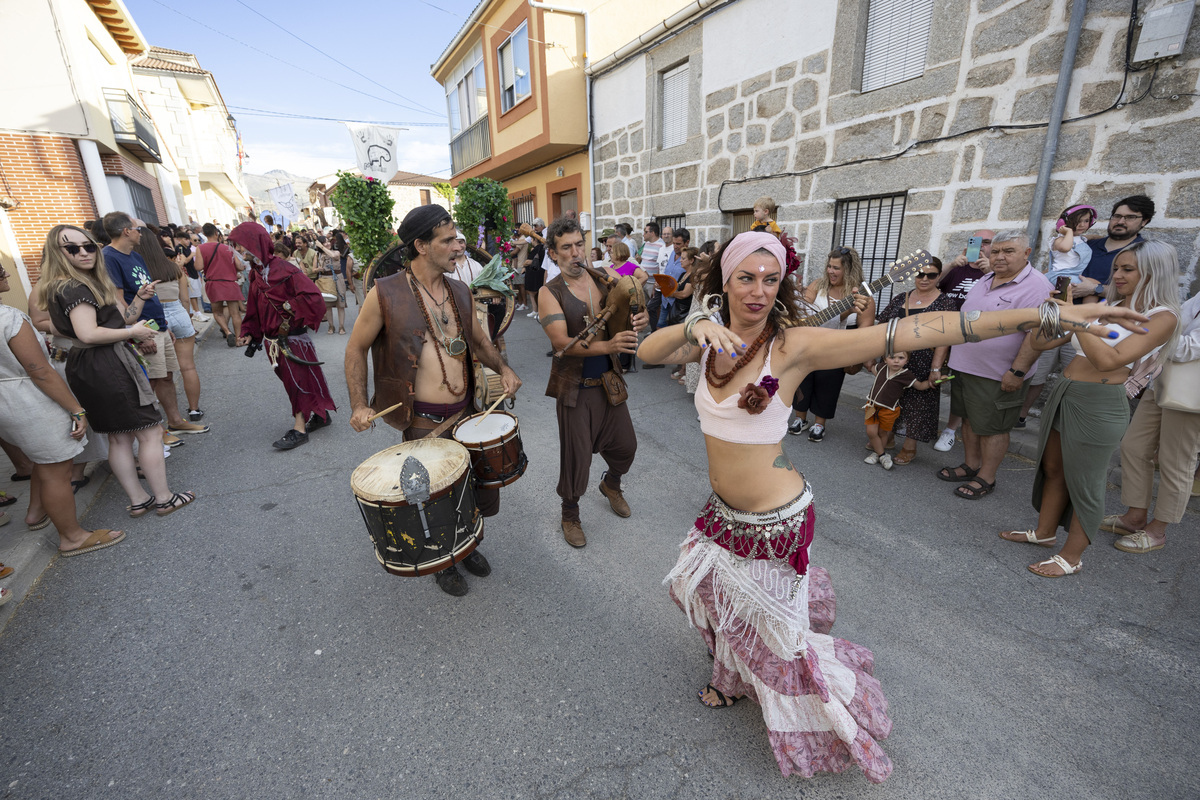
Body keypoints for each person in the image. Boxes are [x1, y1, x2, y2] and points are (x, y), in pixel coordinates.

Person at [636, 229, 1149, 782]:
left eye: (770, 280)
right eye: (745, 278)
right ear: (726, 281)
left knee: (778, 628)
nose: (758, 291)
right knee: (713, 596)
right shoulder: (709, 339)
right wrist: (694, 324)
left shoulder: (795, 346)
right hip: (722, 512)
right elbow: (645, 351)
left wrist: (1032, 317)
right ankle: (733, 676)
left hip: (775, 520)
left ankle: (816, 711)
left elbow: (920, 329)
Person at [345, 205, 521, 597]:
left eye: (457, 237)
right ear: (421, 246)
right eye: (448, 240)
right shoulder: (386, 293)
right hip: (422, 419)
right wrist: (359, 404)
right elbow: (355, 348)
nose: (458, 246)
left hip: (467, 413)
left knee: (475, 490)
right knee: (435, 500)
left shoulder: (459, 289)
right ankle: (447, 562)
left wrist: (503, 369)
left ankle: (469, 544)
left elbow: (477, 340)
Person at [999, 240, 1180, 577]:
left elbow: (1108, 359)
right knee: (1053, 468)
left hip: (1100, 401)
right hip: (1065, 390)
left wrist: (1076, 319)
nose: (1118, 275)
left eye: (1128, 269)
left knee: (1086, 481)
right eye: (1117, 268)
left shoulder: (1162, 317)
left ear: (1153, 272)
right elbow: (1041, 342)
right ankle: (1044, 532)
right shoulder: (1106, 305)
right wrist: (1054, 314)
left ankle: (1072, 556)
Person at [40, 224, 195, 518]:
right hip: (106, 364)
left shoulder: (66, 285)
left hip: (90, 365)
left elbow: (117, 319)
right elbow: (89, 333)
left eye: (88, 246)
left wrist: (139, 298)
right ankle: (163, 498)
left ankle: (139, 500)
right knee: (149, 432)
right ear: (58, 253)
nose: (84, 252)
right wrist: (132, 332)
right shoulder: (75, 286)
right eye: (72, 248)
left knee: (119, 437)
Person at [536, 216, 648, 548]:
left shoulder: (605, 279)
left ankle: (611, 484)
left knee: (627, 447)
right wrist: (610, 346)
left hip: (608, 383)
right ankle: (570, 513)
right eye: (566, 247)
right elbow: (560, 342)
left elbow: (629, 311)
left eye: (579, 245)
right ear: (554, 254)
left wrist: (639, 316)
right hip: (574, 389)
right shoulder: (549, 292)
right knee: (577, 460)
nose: (575, 253)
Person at [0, 261, 124, 556]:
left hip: (6, 403)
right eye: (0, 271)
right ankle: (72, 537)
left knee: (43, 459)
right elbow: (40, 371)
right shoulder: (9, 318)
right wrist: (76, 409)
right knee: (57, 468)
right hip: (27, 400)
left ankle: (35, 513)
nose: (6, 274)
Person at [937, 230, 1049, 499]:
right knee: (969, 421)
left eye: (1008, 251)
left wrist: (1017, 371)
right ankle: (971, 464)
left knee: (993, 428)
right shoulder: (985, 278)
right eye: (996, 251)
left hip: (999, 374)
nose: (999, 256)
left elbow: (1037, 335)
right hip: (965, 367)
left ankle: (987, 476)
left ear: (1026, 253)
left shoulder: (1038, 286)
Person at [1104, 288, 1200, 554]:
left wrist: (1152, 334)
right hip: (1161, 381)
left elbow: (1188, 348)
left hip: (1192, 394)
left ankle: (1157, 531)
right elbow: (1175, 320)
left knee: (1177, 461)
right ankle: (1134, 517)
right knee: (1133, 447)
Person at [229, 221, 337, 450]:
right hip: (273, 343)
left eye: (239, 246)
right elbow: (254, 310)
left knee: (297, 382)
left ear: (252, 245)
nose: (238, 250)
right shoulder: (257, 273)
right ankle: (320, 415)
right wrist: (249, 332)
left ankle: (299, 428)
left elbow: (314, 298)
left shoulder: (286, 270)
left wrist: (289, 307)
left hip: (293, 339)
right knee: (296, 381)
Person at [102, 213, 209, 439]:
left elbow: (150, 295)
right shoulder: (109, 257)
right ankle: (156, 432)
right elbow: (118, 303)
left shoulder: (135, 256)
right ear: (126, 231)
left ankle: (175, 421)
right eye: (137, 229)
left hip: (157, 327)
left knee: (166, 376)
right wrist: (139, 335)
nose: (141, 233)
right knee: (148, 382)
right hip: (141, 331)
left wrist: (162, 325)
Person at [788, 246, 874, 441]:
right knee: (802, 380)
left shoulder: (862, 295)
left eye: (836, 268)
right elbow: (803, 311)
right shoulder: (818, 285)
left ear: (849, 270)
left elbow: (865, 330)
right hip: (809, 343)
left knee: (828, 383)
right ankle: (800, 419)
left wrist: (850, 313)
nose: (830, 271)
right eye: (829, 266)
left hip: (838, 346)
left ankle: (820, 423)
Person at [873, 257, 955, 464]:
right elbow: (882, 325)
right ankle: (888, 437)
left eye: (931, 275)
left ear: (939, 277)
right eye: (920, 274)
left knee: (919, 402)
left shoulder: (945, 302)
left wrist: (935, 368)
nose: (924, 278)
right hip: (897, 357)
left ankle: (910, 445)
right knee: (892, 397)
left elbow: (945, 338)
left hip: (925, 358)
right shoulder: (902, 297)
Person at [933, 229, 994, 452]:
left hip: (969, 337)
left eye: (987, 242)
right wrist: (950, 264)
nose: (982, 246)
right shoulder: (957, 268)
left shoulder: (994, 273)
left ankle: (950, 429)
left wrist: (992, 272)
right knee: (932, 377)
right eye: (977, 242)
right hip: (943, 332)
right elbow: (930, 284)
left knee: (960, 387)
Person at [136, 225, 204, 424]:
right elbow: (185, 299)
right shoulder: (173, 268)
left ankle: (162, 416)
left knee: (160, 373)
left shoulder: (139, 272)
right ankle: (194, 410)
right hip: (178, 313)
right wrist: (187, 317)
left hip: (152, 321)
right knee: (188, 367)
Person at [1076, 194, 1154, 299]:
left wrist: (1095, 289)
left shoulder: (1144, 252)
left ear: (1144, 221)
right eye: (1117, 216)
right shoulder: (1087, 244)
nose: (1120, 222)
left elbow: (1143, 294)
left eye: (1130, 217)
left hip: (1109, 314)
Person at [862, 352, 931, 470]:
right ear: (885, 359)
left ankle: (877, 454)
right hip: (872, 406)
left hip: (889, 410)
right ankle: (883, 455)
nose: (896, 361)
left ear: (907, 360)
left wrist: (932, 382)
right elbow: (870, 366)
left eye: (901, 358)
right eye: (892, 357)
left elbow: (919, 386)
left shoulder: (906, 375)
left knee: (882, 433)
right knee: (871, 432)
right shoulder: (881, 367)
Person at [199, 223, 246, 347]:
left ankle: (227, 331)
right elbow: (240, 267)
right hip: (230, 284)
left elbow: (198, 267)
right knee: (235, 313)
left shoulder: (201, 248)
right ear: (216, 233)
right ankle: (238, 339)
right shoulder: (228, 248)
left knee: (218, 312)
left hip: (213, 284)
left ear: (204, 234)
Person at [1045, 204, 1097, 287]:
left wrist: (1100, 237)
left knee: (1095, 283)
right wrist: (1068, 232)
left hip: (1073, 276)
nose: (1082, 225)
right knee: (1093, 285)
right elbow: (1065, 248)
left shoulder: (1080, 239)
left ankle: (1092, 301)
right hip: (1059, 277)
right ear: (1064, 222)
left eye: (1086, 221)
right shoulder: (1060, 239)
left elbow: (1086, 238)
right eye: (1078, 221)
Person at [311, 232, 348, 334]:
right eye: (324, 242)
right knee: (327, 305)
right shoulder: (317, 255)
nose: (327, 243)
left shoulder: (336, 252)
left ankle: (341, 327)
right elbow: (313, 270)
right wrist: (319, 269)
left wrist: (322, 247)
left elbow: (333, 256)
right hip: (325, 279)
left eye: (327, 241)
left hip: (337, 279)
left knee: (341, 304)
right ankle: (331, 326)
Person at [523, 218, 547, 320]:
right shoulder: (542, 248)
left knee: (533, 294)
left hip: (534, 274)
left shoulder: (537, 249)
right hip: (539, 273)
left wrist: (525, 264)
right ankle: (537, 311)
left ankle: (536, 311)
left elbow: (528, 261)